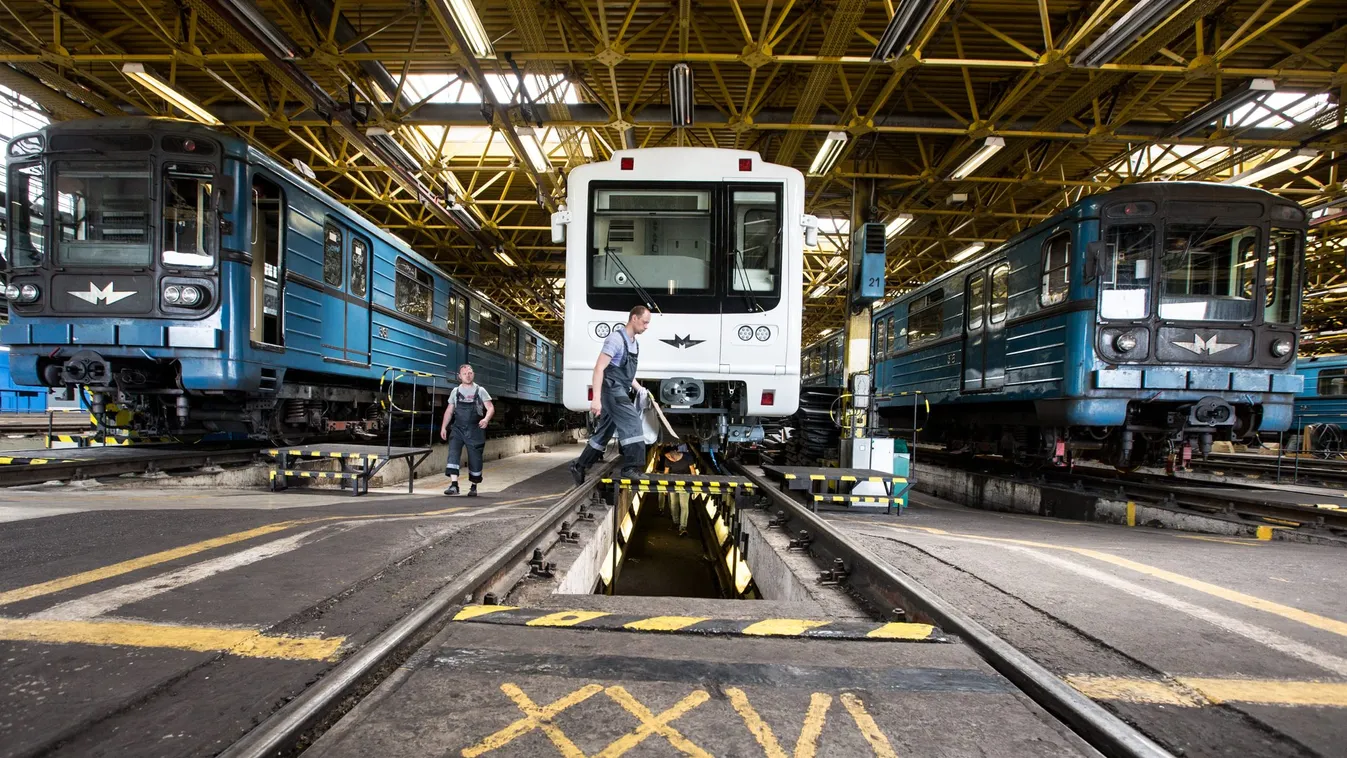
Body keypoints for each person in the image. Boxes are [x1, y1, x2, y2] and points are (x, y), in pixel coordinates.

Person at [569, 305, 652, 484]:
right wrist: (596, 399)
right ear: (634, 318)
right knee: (633, 422)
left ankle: (580, 465)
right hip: (612, 390)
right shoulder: (615, 339)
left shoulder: (633, 343)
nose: (646, 327)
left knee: (604, 433)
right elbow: (599, 368)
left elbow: (626, 374)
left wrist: (640, 389)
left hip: (620, 388)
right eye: (645, 322)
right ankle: (631, 467)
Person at [440, 364, 494, 496]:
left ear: (473, 374)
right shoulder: (455, 391)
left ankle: (474, 487)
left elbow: (491, 408)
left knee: (475, 458)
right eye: (464, 374)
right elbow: (449, 411)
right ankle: (454, 486)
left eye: (470, 373)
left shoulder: (480, 391)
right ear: (460, 376)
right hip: (458, 429)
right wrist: (443, 427)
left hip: (475, 429)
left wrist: (486, 419)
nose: (468, 376)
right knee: (453, 453)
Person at [661, 444, 698, 537]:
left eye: (670, 455)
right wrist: (664, 487)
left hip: (685, 484)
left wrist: (695, 487)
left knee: (684, 505)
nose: (669, 458)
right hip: (673, 484)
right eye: (667, 457)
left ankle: (683, 527)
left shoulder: (687, 457)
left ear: (675, 452)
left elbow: (693, 472)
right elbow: (666, 473)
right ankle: (675, 522)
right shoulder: (668, 460)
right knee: (673, 504)